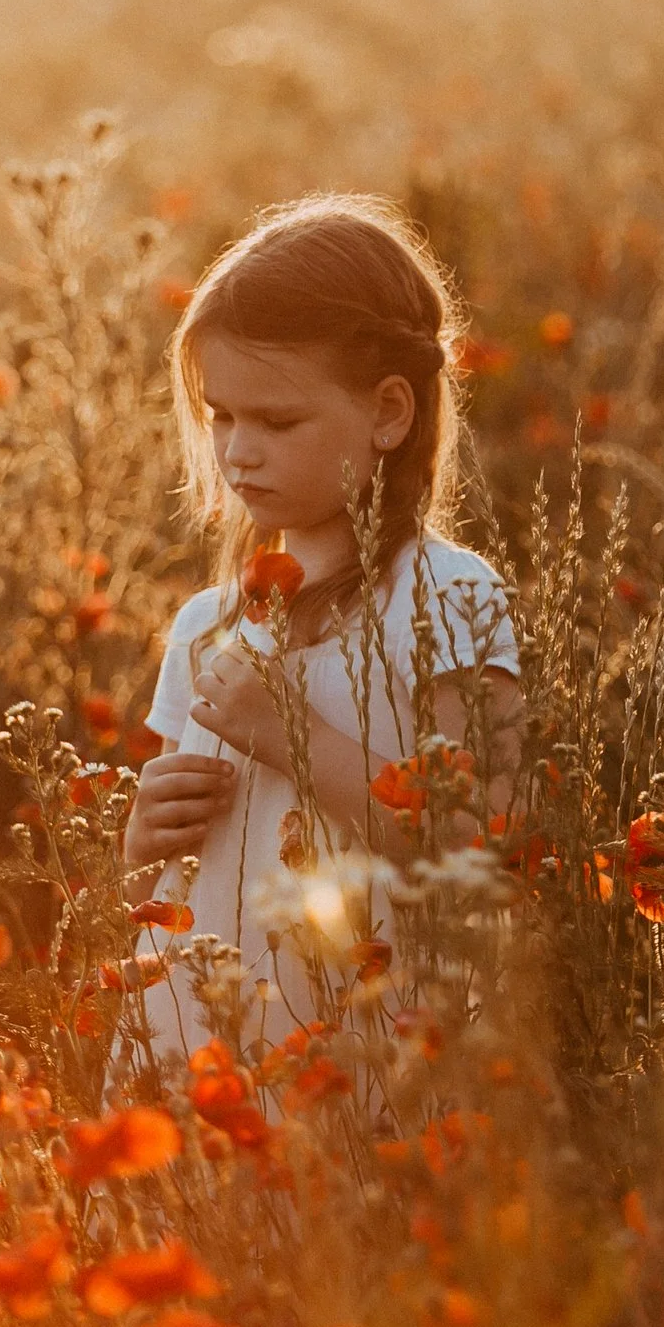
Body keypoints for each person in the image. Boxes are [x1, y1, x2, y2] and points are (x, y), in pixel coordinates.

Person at [124, 193, 524, 1061]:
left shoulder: (448, 600)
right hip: (201, 1039)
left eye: (275, 420)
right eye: (221, 416)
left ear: (388, 412)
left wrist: (289, 733)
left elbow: (481, 847)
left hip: (369, 1046)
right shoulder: (207, 624)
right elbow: (164, 872)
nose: (238, 451)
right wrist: (143, 829)